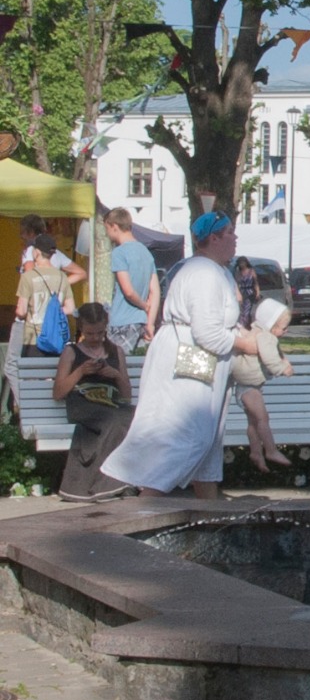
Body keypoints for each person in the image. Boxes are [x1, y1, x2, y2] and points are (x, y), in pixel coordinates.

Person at [101, 212, 260, 499]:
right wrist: (247, 345)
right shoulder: (202, 274)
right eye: (230, 234)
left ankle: (209, 511)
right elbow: (207, 334)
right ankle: (144, 506)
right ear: (214, 238)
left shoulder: (216, 270)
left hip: (196, 355)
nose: (236, 239)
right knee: (187, 436)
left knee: (205, 440)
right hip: (189, 355)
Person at [52, 303, 134, 502]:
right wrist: (81, 371)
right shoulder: (71, 352)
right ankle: (108, 485)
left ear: (106, 326)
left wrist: (115, 375)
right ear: (81, 328)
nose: (95, 338)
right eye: (90, 334)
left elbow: (126, 394)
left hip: (110, 404)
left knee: (132, 416)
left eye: (100, 333)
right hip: (83, 405)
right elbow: (58, 392)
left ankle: (120, 481)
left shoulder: (116, 351)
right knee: (116, 419)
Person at [230, 297, 294, 471]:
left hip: (244, 387)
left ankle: (256, 452)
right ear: (272, 325)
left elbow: (275, 352)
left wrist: (282, 357)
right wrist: (283, 369)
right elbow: (269, 359)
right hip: (249, 387)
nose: (286, 331)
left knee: (253, 422)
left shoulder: (256, 331)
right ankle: (271, 450)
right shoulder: (266, 337)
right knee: (263, 418)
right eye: (284, 328)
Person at [102, 207, 160, 353]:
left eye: (106, 229)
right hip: (141, 322)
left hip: (121, 321)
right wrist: (150, 322)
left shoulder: (119, 253)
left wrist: (143, 305)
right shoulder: (146, 252)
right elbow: (155, 291)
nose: (107, 234)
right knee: (137, 368)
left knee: (118, 366)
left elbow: (127, 291)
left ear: (114, 227)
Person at [15, 235, 77, 356]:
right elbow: (70, 308)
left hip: (34, 339)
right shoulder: (62, 277)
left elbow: (21, 312)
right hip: (56, 338)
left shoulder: (28, 277)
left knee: (33, 374)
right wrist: (51, 312)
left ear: (37, 252)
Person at [235, 256, 261, 330]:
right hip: (242, 292)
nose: (241, 264)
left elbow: (256, 283)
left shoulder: (251, 271)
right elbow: (236, 283)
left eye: (243, 262)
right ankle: (244, 326)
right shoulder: (238, 272)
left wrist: (258, 292)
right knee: (242, 311)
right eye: (240, 263)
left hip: (250, 292)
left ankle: (243, 326)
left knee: (247, 311)